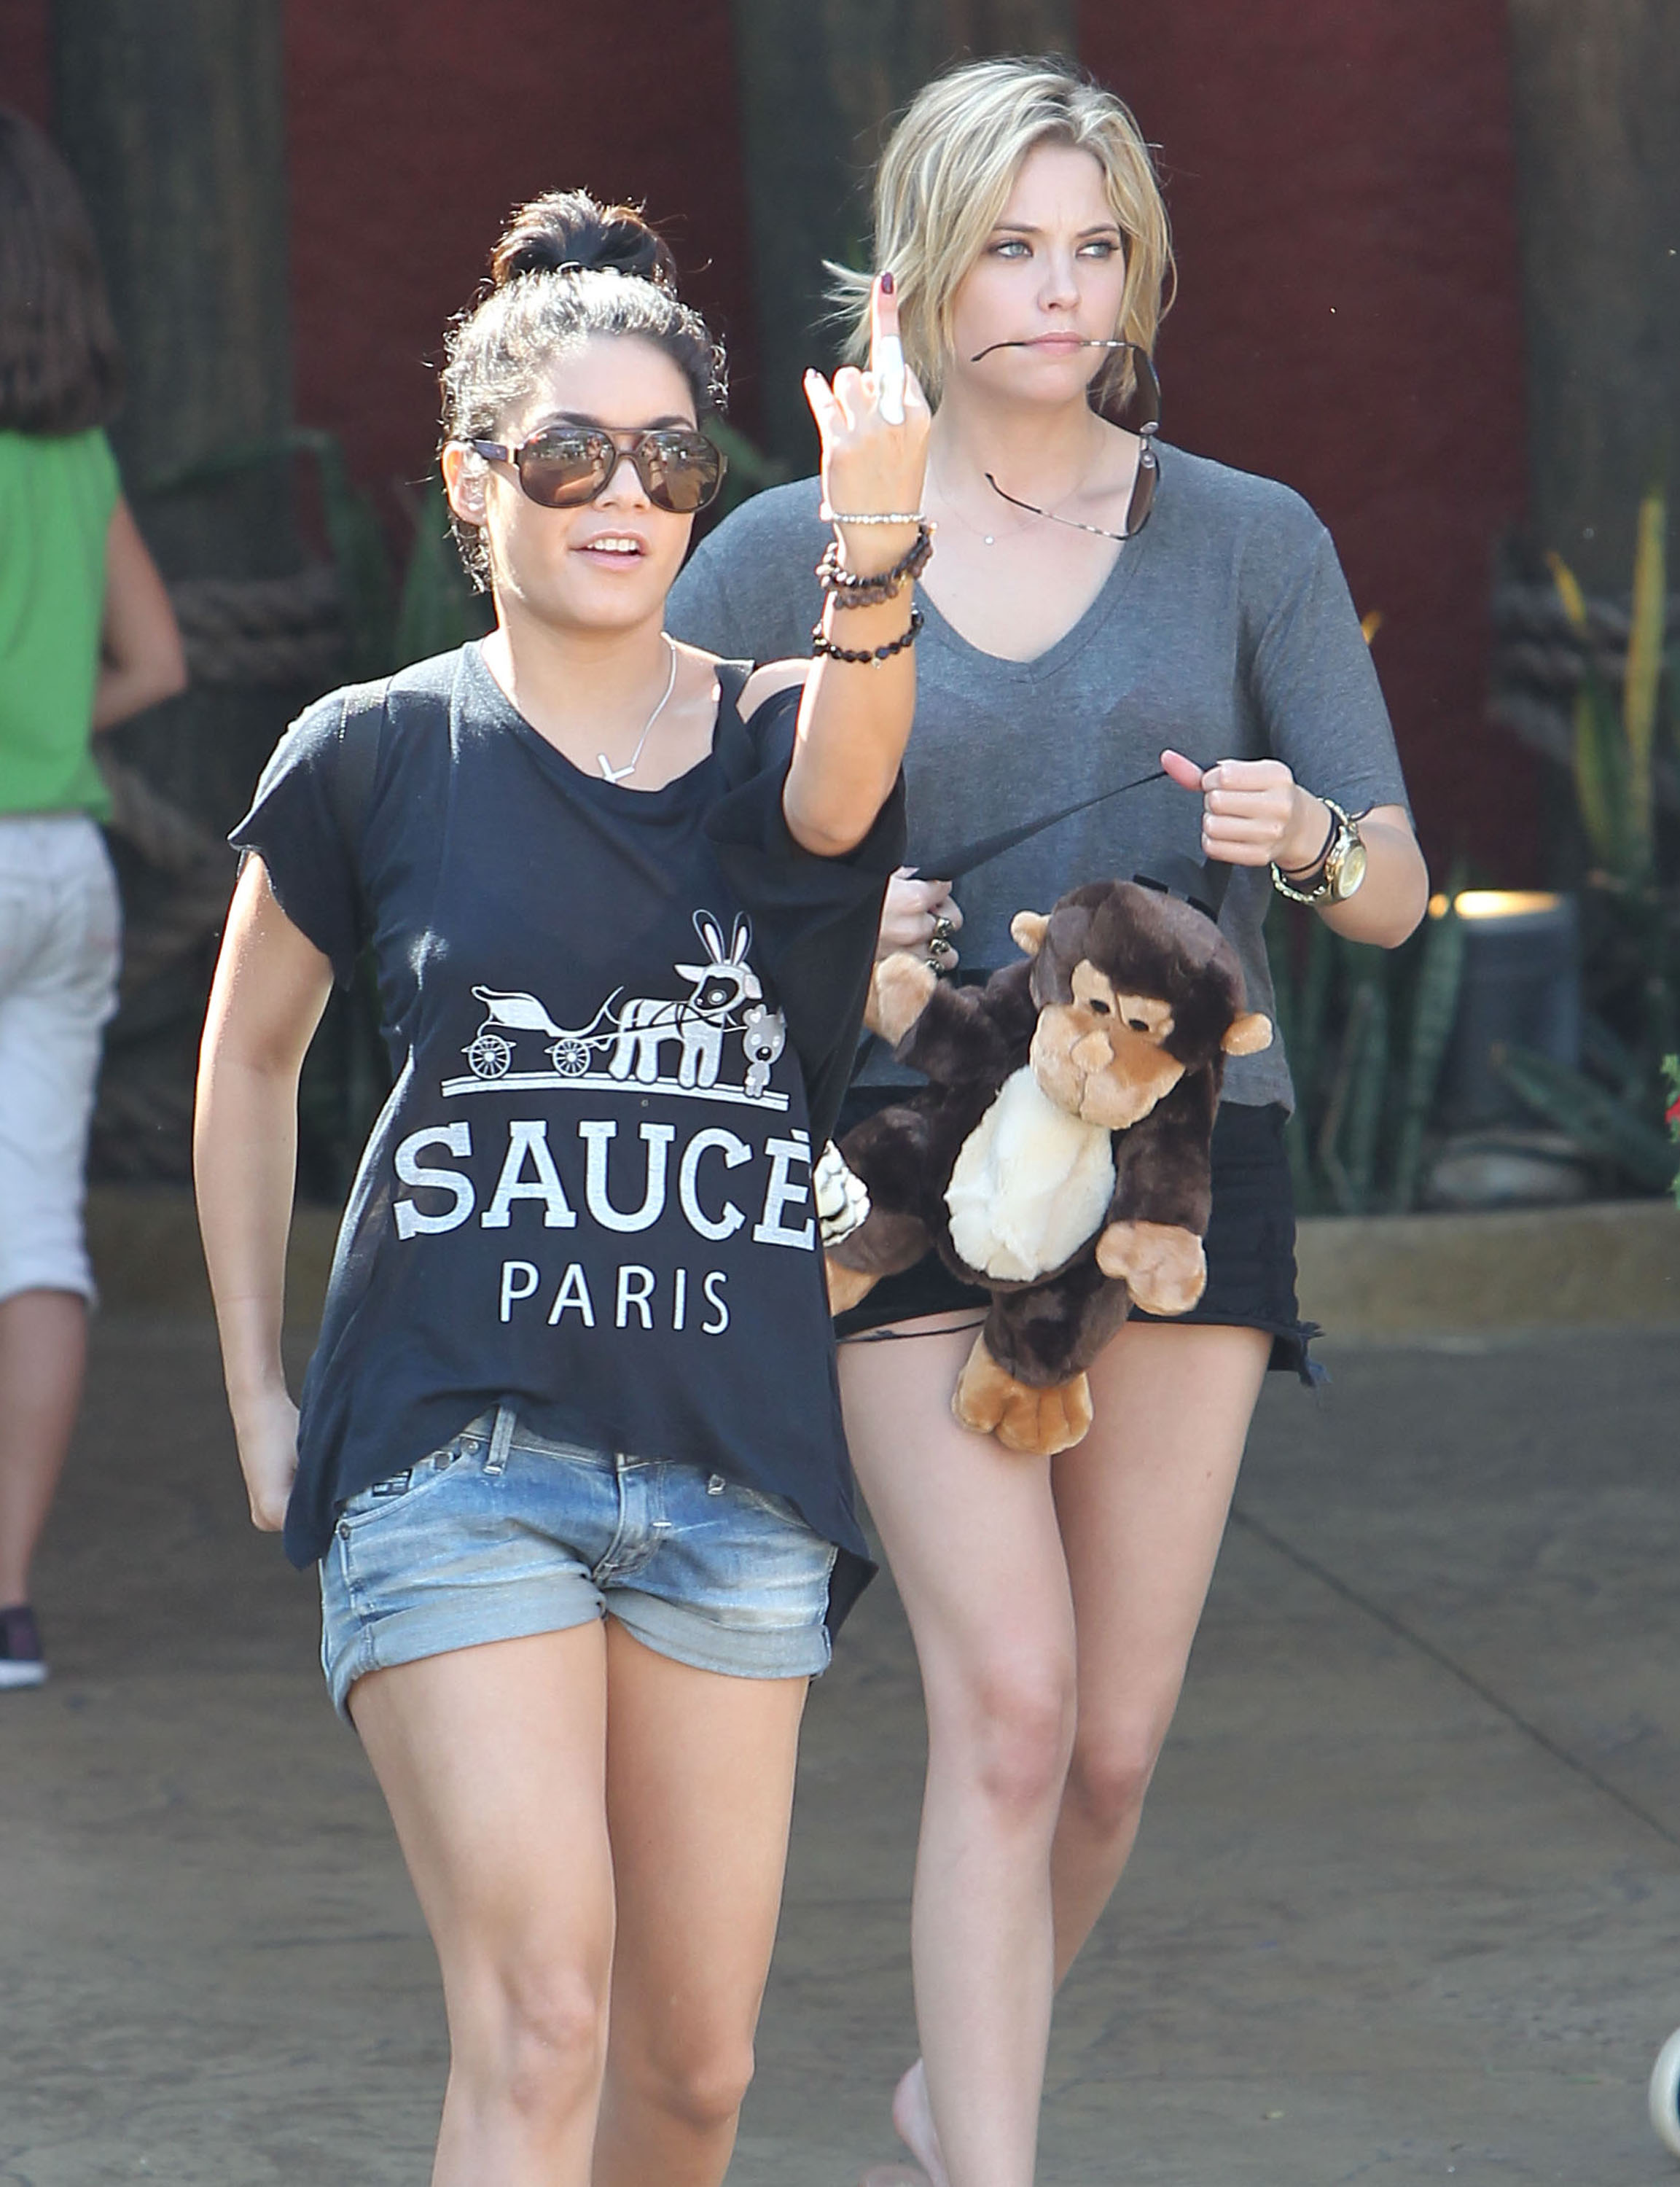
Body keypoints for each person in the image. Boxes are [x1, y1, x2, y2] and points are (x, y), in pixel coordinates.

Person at [668, 56, 1429, 2187]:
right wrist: (832, 928)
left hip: (1186, 1155)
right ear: (918, 273)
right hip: (908, 1161)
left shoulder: (1248, 537)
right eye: (1012, 246)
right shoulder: (783, 550)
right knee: (1008, 1704)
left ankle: (951, 2103)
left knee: (1106, 1748)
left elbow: (1395, 888)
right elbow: (651, 871)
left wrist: (1301, 840)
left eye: (1098, 249)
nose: (1061, 288)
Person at [193, 190, 929, 2187]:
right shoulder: (373, 753)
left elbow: (855, 776)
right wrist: (256, 1388)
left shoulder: (776, 734)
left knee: (693, 2076)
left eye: (670, 460)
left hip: (729, 1462)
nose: (625, 496)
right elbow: (248, 1058)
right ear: (471, 477)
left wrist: (875, 536)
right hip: (449, 1450)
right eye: (570, 454)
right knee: (538, 2018)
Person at [0, 108, 187, 1690]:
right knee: (36, 1236)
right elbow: (160, 661)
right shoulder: (73, 456)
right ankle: (6, 1604)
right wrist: (44, 736)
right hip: (62, 868)